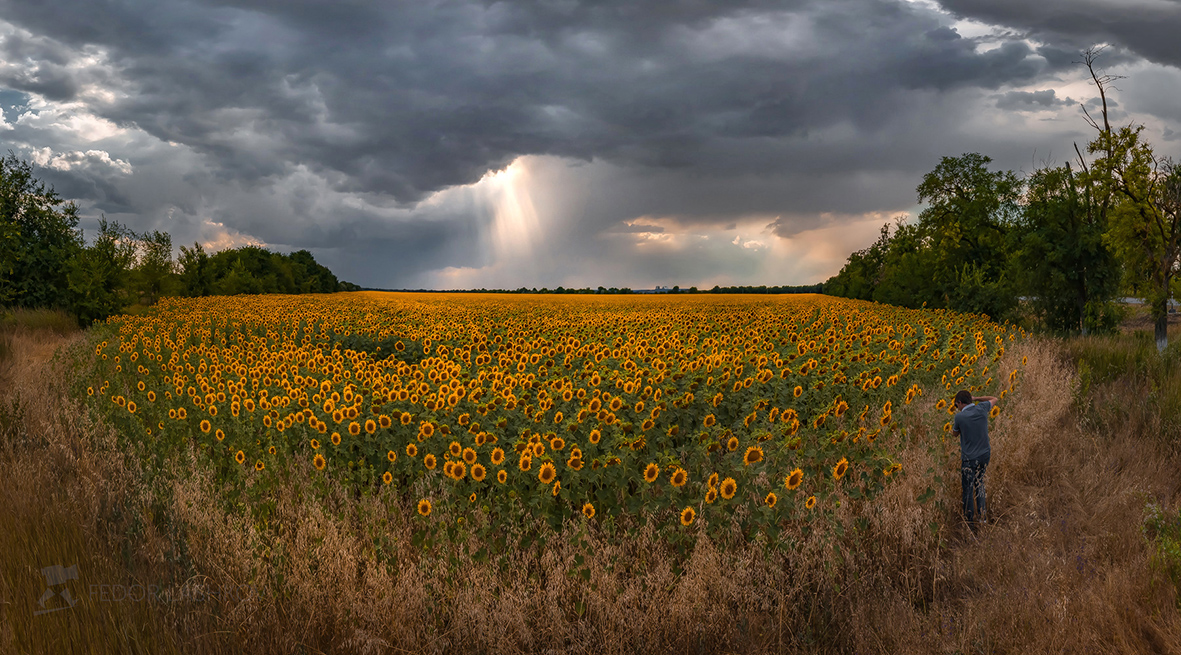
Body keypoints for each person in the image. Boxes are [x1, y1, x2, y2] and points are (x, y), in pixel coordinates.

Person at [951, 389, 998, 531]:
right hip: (984, 454)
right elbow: (994, 398)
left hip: (969, 458)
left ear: (959, 403)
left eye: (956, 405)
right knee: (980, 484)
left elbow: (954, 434)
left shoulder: (960, 417)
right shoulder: (982, 408)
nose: (956, 407)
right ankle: (982, 518)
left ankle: (970, 524)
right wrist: (976, 397)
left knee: (967, 490)